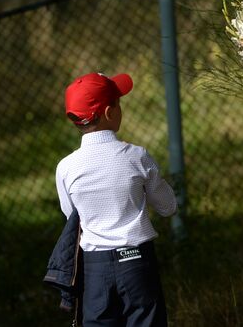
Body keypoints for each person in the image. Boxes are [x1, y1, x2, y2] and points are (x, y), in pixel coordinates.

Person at [55, 72, 177, 327]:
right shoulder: (137, 156)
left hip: (94, 270)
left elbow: (72, 215)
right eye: (119, 104)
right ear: (110, 112)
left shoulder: (66, 168)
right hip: (137, 265)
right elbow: (168, 207)